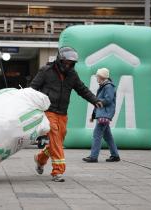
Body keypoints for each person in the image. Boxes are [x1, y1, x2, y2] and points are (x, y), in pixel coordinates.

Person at [30, 47, 103, 182]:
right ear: (59, 60)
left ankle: (40, 158)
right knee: (56, 139)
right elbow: (32, 89)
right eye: (66, 62)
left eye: (71, 63)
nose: (68, 65)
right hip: (48, 110)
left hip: (62, 113)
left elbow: (82, 89)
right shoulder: (46, 71)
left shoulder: (72, 75)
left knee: (59, 139)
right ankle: (57, 171)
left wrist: (95, 100)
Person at [82, 68, 120, 163]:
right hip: (103, 114)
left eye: (97, 76)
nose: (96, 78)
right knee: (108, 136)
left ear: (102, 77)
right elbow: (98, 103)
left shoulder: (108, 86)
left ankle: (93, 157)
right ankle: (115, 155)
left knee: (97, 135)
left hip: (105, 114)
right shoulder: (104, 86)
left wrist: (98, 102)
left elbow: (108, 99)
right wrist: (93, 115)